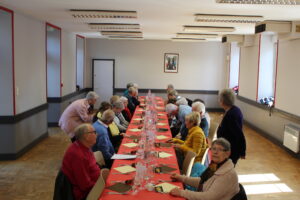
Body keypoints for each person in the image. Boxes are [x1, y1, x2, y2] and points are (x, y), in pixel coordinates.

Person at [169, 138, 239, 200]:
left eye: (220, 149)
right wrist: (181, 178)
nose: (215, 152)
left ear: (227, 153)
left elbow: (208, 197)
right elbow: (202, 182)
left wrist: (182, 193)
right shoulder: (215, 165)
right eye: (214, 149)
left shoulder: (227, 174)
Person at [61, 123, 100, 200]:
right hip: (87, 193)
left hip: (96, 183)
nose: (97, 134)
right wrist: (101, 185)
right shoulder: (79, 156)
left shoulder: (84, 146)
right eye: (94, 132)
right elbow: (85, 185)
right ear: (86, 136)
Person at [217, 89, 246, 165]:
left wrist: (220, 124)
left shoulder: (231, 115)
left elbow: (238, 134)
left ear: (222, 101)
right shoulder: (235, 110)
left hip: (230, 150)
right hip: (230, 148)